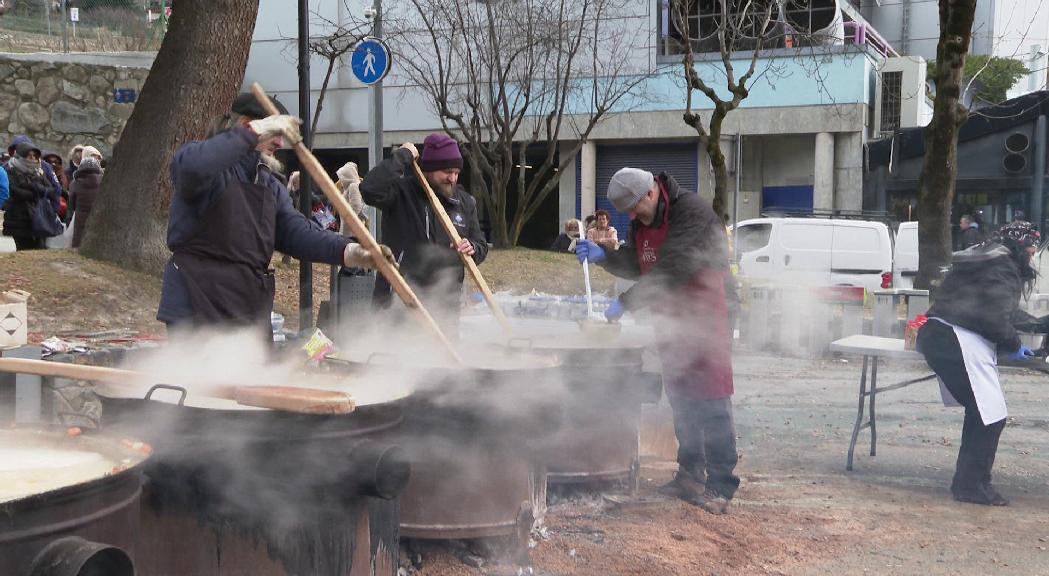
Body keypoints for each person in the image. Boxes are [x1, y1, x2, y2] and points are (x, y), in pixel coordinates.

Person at [157, 93, 394, 342]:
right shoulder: (205, 166)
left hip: (247, 306)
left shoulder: (268, 183)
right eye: (275, 133)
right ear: (246, 125)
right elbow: (193, 167)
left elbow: (296, 232)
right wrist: (254, 131)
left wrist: (351, 251)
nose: (280, 144)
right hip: (197, 302)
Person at [576, 167, 738, 514]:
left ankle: (721, 485)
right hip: (672, 320)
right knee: (681, 397)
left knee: (711, 399)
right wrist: (606, 256)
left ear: (650, 193)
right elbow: (641, 261)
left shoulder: (690, 212)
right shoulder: (643, 221)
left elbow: (671, 269)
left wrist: (626, 302)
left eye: (634, 208)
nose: (632, 217)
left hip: (706, 315)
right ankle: (690, 474)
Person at [916, 222, 1040, 506]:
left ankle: (968, 483)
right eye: (1031, 250)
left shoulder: (985, 256)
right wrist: (1014, 345)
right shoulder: (1004, 264)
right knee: (990, 415)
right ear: (1020, 246)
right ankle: (971, 486)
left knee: (983, 413)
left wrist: (1035, 324)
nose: (1032, 257)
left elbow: (990, 305)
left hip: (940, 334)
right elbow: (993, 317)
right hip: (956, 339)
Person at [359, 133, 488, 333]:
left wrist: (473, 248)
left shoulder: (465, 203)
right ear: (429, 168)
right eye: (447, 171)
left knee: (442, 363)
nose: (452, 179)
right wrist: (403, 155)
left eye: (456, 172)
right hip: (397, 308)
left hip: (445, 312)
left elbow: (480, 244)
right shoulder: (400, 193)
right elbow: (369, 189)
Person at [2, 142, 55, 250]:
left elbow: (51, 190)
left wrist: (34, 188)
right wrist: (37, 192)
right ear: (21, 156)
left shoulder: (39, 172)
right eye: (29, 155)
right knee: (24, 249)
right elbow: (16, 192)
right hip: (19, 218)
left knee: (40, 249)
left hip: (39, 217)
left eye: (35, 156)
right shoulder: (11, 170)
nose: (32, 158)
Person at [69, 156, 103, 248]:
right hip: (99, 215)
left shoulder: (75, 183)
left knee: (79, 240)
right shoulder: (104, 181)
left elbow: (71, 204)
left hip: (81, 216)